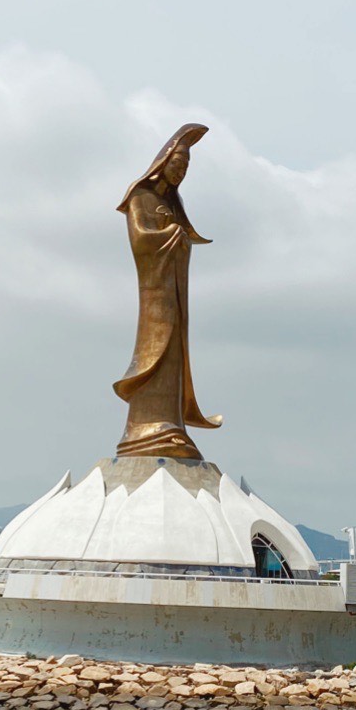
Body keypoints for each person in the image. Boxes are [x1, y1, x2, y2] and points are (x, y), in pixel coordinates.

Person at [112, 123, 222, 459]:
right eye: (177, 164)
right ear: (164, 161)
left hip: (173, 292)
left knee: (174, 353)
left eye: (186, 167)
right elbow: (141, 239)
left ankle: (171, 424)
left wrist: (178, 235)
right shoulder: (140, 196)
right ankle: (148, 427)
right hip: (155, 292)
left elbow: (180, 237)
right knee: (154, 349)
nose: (181, 171)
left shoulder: (172, 204)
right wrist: (171, 234)